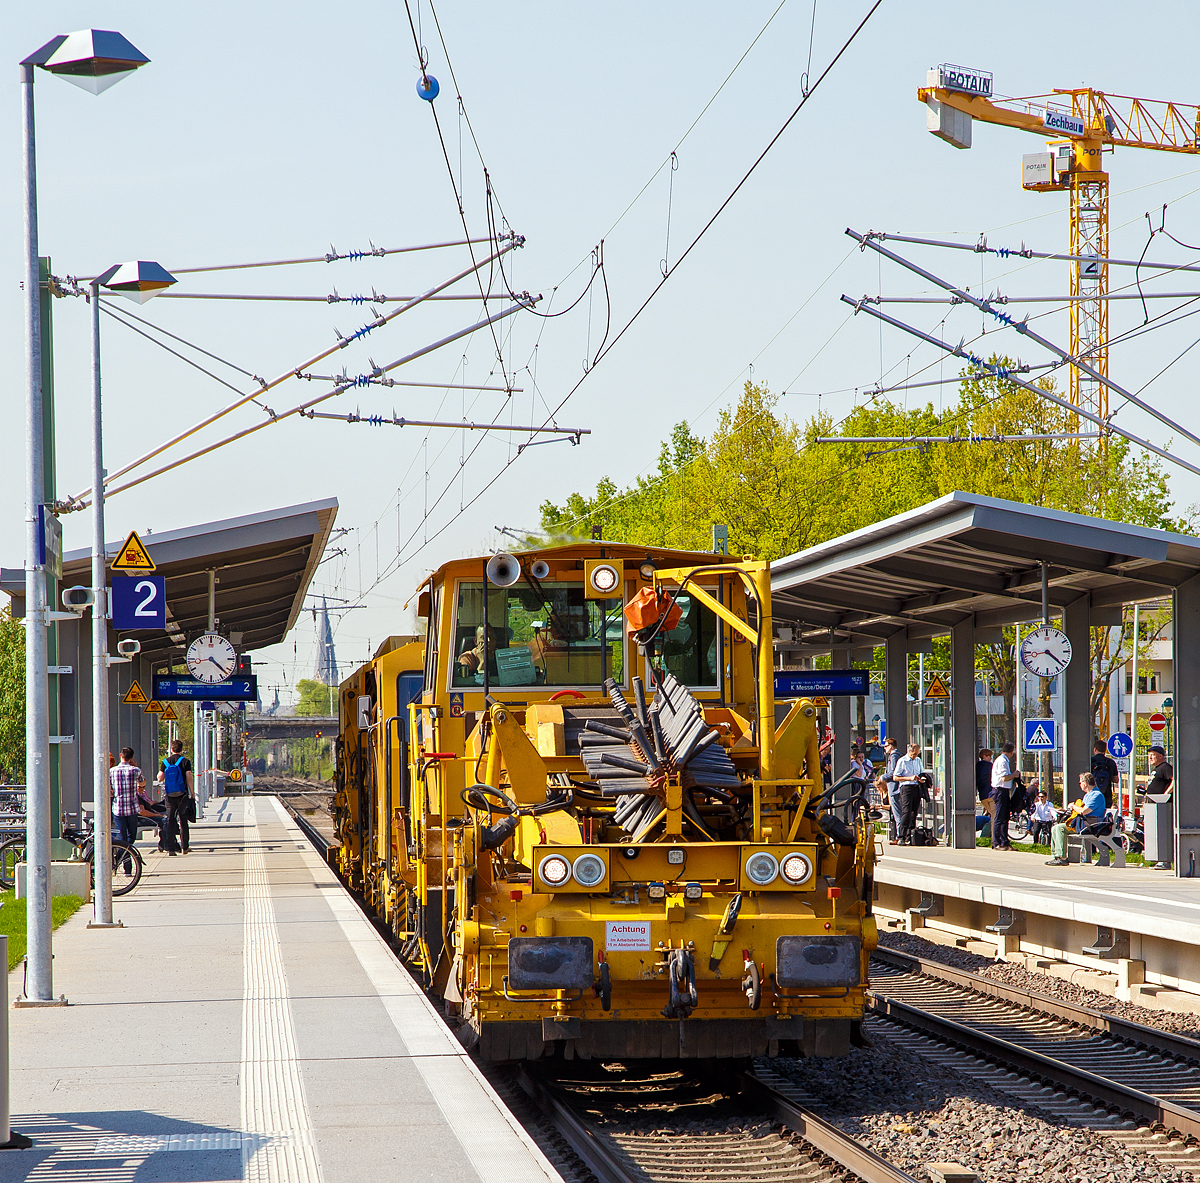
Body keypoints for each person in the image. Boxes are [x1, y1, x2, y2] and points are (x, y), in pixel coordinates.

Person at [1045, 772, 1106, 865]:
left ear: (1085, 783)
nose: (1080, 785)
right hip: (1083, 823)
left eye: (1080, 783)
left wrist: (1073, 806)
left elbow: (1083, 811)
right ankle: (1056, 856)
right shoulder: (1088, 795)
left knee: (1060, 828)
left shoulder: (1096, 795)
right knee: (1055, 828)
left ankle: (1062, 858)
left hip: (1091, 825)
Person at [157, 739, 195, 856]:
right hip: (182, 794)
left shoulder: (165, 762)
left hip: (169, 796)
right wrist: (192, 793)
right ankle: (184, 847)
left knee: (170, 820)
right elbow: (189, 777)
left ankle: (171, 848)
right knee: (183, 820)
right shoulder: (185, 762)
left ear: (171, 749)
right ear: (181, 749)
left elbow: (160, 778)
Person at [109, 748, 145, 871]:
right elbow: (142, 782)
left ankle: (120, 859)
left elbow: (109, 789)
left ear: (121, 755)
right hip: (132, 808)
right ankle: (127, 865)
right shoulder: (136, 770)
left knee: (122, 838)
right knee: (131, 837)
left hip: (118, 808)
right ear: (131, 758)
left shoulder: (112, 771)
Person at [1144, 745, 1174, 870]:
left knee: (1163, 832)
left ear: (1160, 756)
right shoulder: (1156, 769)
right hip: (1153, 806)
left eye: (1153, 755)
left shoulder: (1165, 767)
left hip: (1163, 806)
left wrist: (1165, 794)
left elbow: (1174, 780)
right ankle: (1158, 858)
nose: (1150, 757)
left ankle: (1165, 861)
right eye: (1149, 755)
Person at [892, 742, 925, 844]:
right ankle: (901, 836)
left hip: (916, 786)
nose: (915, 756)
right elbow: (895, 777)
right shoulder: (902, 761)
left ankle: (910, 835)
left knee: (914, 812)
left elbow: (921, 772)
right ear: (909, 751)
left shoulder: (918, 760)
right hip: (906, 787)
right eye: (913, 754)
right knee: (906, 812)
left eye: (917, 754)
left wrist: (921, 778)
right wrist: (909, 778)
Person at [990, 742, 1016, 851]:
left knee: (1005, 817)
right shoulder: (1002, 761)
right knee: (999, 817)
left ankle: (1004, 842)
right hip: (1000, 790)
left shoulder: (1004, 760)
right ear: (1011, 752)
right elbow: (1004, 778)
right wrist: (1014, 775)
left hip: (1004, 791)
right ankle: (996, 842)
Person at [875, 737, 900, 843]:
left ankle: (899, 836)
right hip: (895, 787)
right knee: (897, 812)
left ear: (890, 746)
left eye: (885, 746)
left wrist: (883, 777)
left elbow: (893, 772)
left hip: (893, 787)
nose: (884, 748)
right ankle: (899, 835)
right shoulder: (897, 755)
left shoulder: (894, 756)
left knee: (897, 812)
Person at [1091, 739, 1119, 809]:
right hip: (1106, 794)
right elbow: (1116, 780)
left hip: (1093, 794)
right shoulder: (1110, 762)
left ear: (1095, 749)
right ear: (1105, 750)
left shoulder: (1091, 761)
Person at [976, 748, 995, 830]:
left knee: (992, 814)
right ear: (984, 756)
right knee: (995, 816)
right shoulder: (990, 766)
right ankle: (994, 835)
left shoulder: (977, 766)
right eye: (989, 756)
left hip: (982, 796)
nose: (991, 758)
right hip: (991, 793)